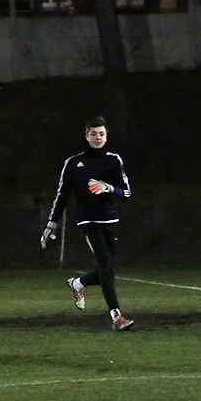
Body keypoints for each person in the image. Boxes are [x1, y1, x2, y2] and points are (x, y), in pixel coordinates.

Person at [40, 116, 135, 331]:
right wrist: (51, 224)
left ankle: (78, 283)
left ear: (106, 135)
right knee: (107, 267)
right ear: (86, 136)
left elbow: (126, 193)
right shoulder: (73, 164)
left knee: (106, 269)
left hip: (110, 220)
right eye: (94, 134)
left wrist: (107, 188)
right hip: (88, 221)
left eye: (101, 134)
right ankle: (116, 316)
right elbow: (62, 195)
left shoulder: (114, 160)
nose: (98, 137)